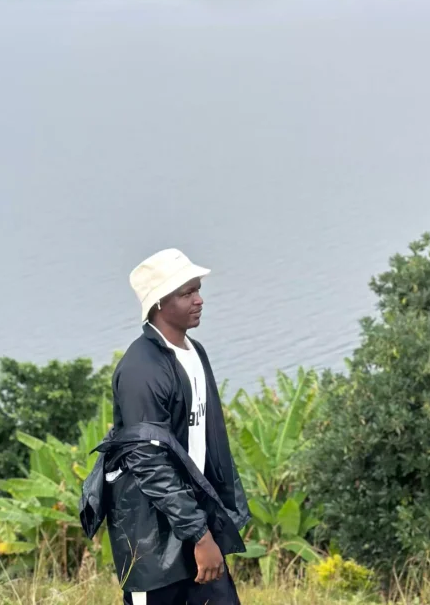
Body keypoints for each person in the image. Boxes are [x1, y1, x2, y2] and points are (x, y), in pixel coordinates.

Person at [80, 248, 250, 605]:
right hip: (153, 544)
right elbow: (148, 461)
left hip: (195, 524)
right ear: (158, 302)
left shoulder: (194, 352)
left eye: (198, 289)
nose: (199, 300)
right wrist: (199, 535)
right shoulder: (141, 368)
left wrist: (210, 525)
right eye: (187, 293)